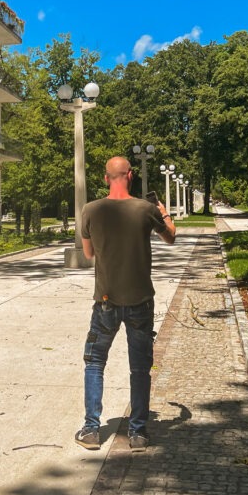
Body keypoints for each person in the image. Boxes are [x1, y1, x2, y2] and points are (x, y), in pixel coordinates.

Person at [74, 155, 176, 452]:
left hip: (105, 301)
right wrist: (164, 212)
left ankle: (92, 430)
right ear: (130, 176)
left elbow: (89, 253)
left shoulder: (91, 210)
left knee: (95, 362)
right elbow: (170, 238)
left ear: (106, 178)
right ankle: (139, 433)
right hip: (141, 301)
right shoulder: (146, 210)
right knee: (140, 368)